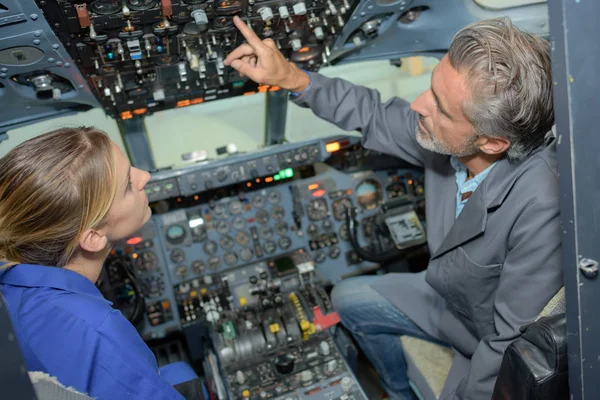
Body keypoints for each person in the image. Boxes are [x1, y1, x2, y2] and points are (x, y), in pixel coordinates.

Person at [224, 15, 561, 400]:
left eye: (439, 106)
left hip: (483, 336)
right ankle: (396, 392)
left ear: (492, 142)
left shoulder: (541, 205)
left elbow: (511, 346)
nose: (418, 105)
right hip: (448, 301)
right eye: (431, 88)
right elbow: (373, 113)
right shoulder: (454, 140)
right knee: (349, 299)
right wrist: (291, 77)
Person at [0, 127, 186, 399]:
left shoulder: (12, 287)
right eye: (127, 185)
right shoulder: (96, 332)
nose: (144, 176)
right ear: (94, 237)